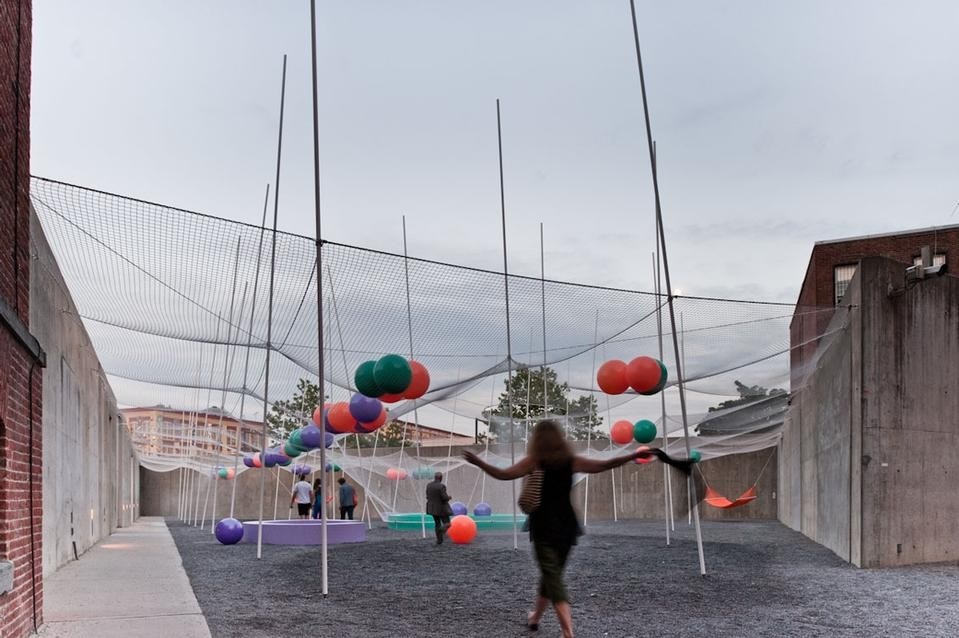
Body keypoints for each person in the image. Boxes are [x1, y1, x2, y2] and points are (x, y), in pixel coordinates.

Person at [463, 419, 654, 638]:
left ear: (537, 440)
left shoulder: (534, 461)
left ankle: (567, 632)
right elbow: (603, 465)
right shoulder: (570, 461)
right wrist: (631, 456)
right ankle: (535, 618)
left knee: (552, 577)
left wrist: (479, 463)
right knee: (551, 575)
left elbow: (504, 474)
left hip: (544, 527)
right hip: (567, 527)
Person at [425, 471, 453, 545]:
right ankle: (441, 530)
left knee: (437, 523)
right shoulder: (441, 486)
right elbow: (444, 498)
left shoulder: (429, 485)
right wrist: (449, 497)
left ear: (435, 477)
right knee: (448, 524)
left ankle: (439, 541)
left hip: (432, 508)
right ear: (441, 478)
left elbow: (427, 496)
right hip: (441, 509)